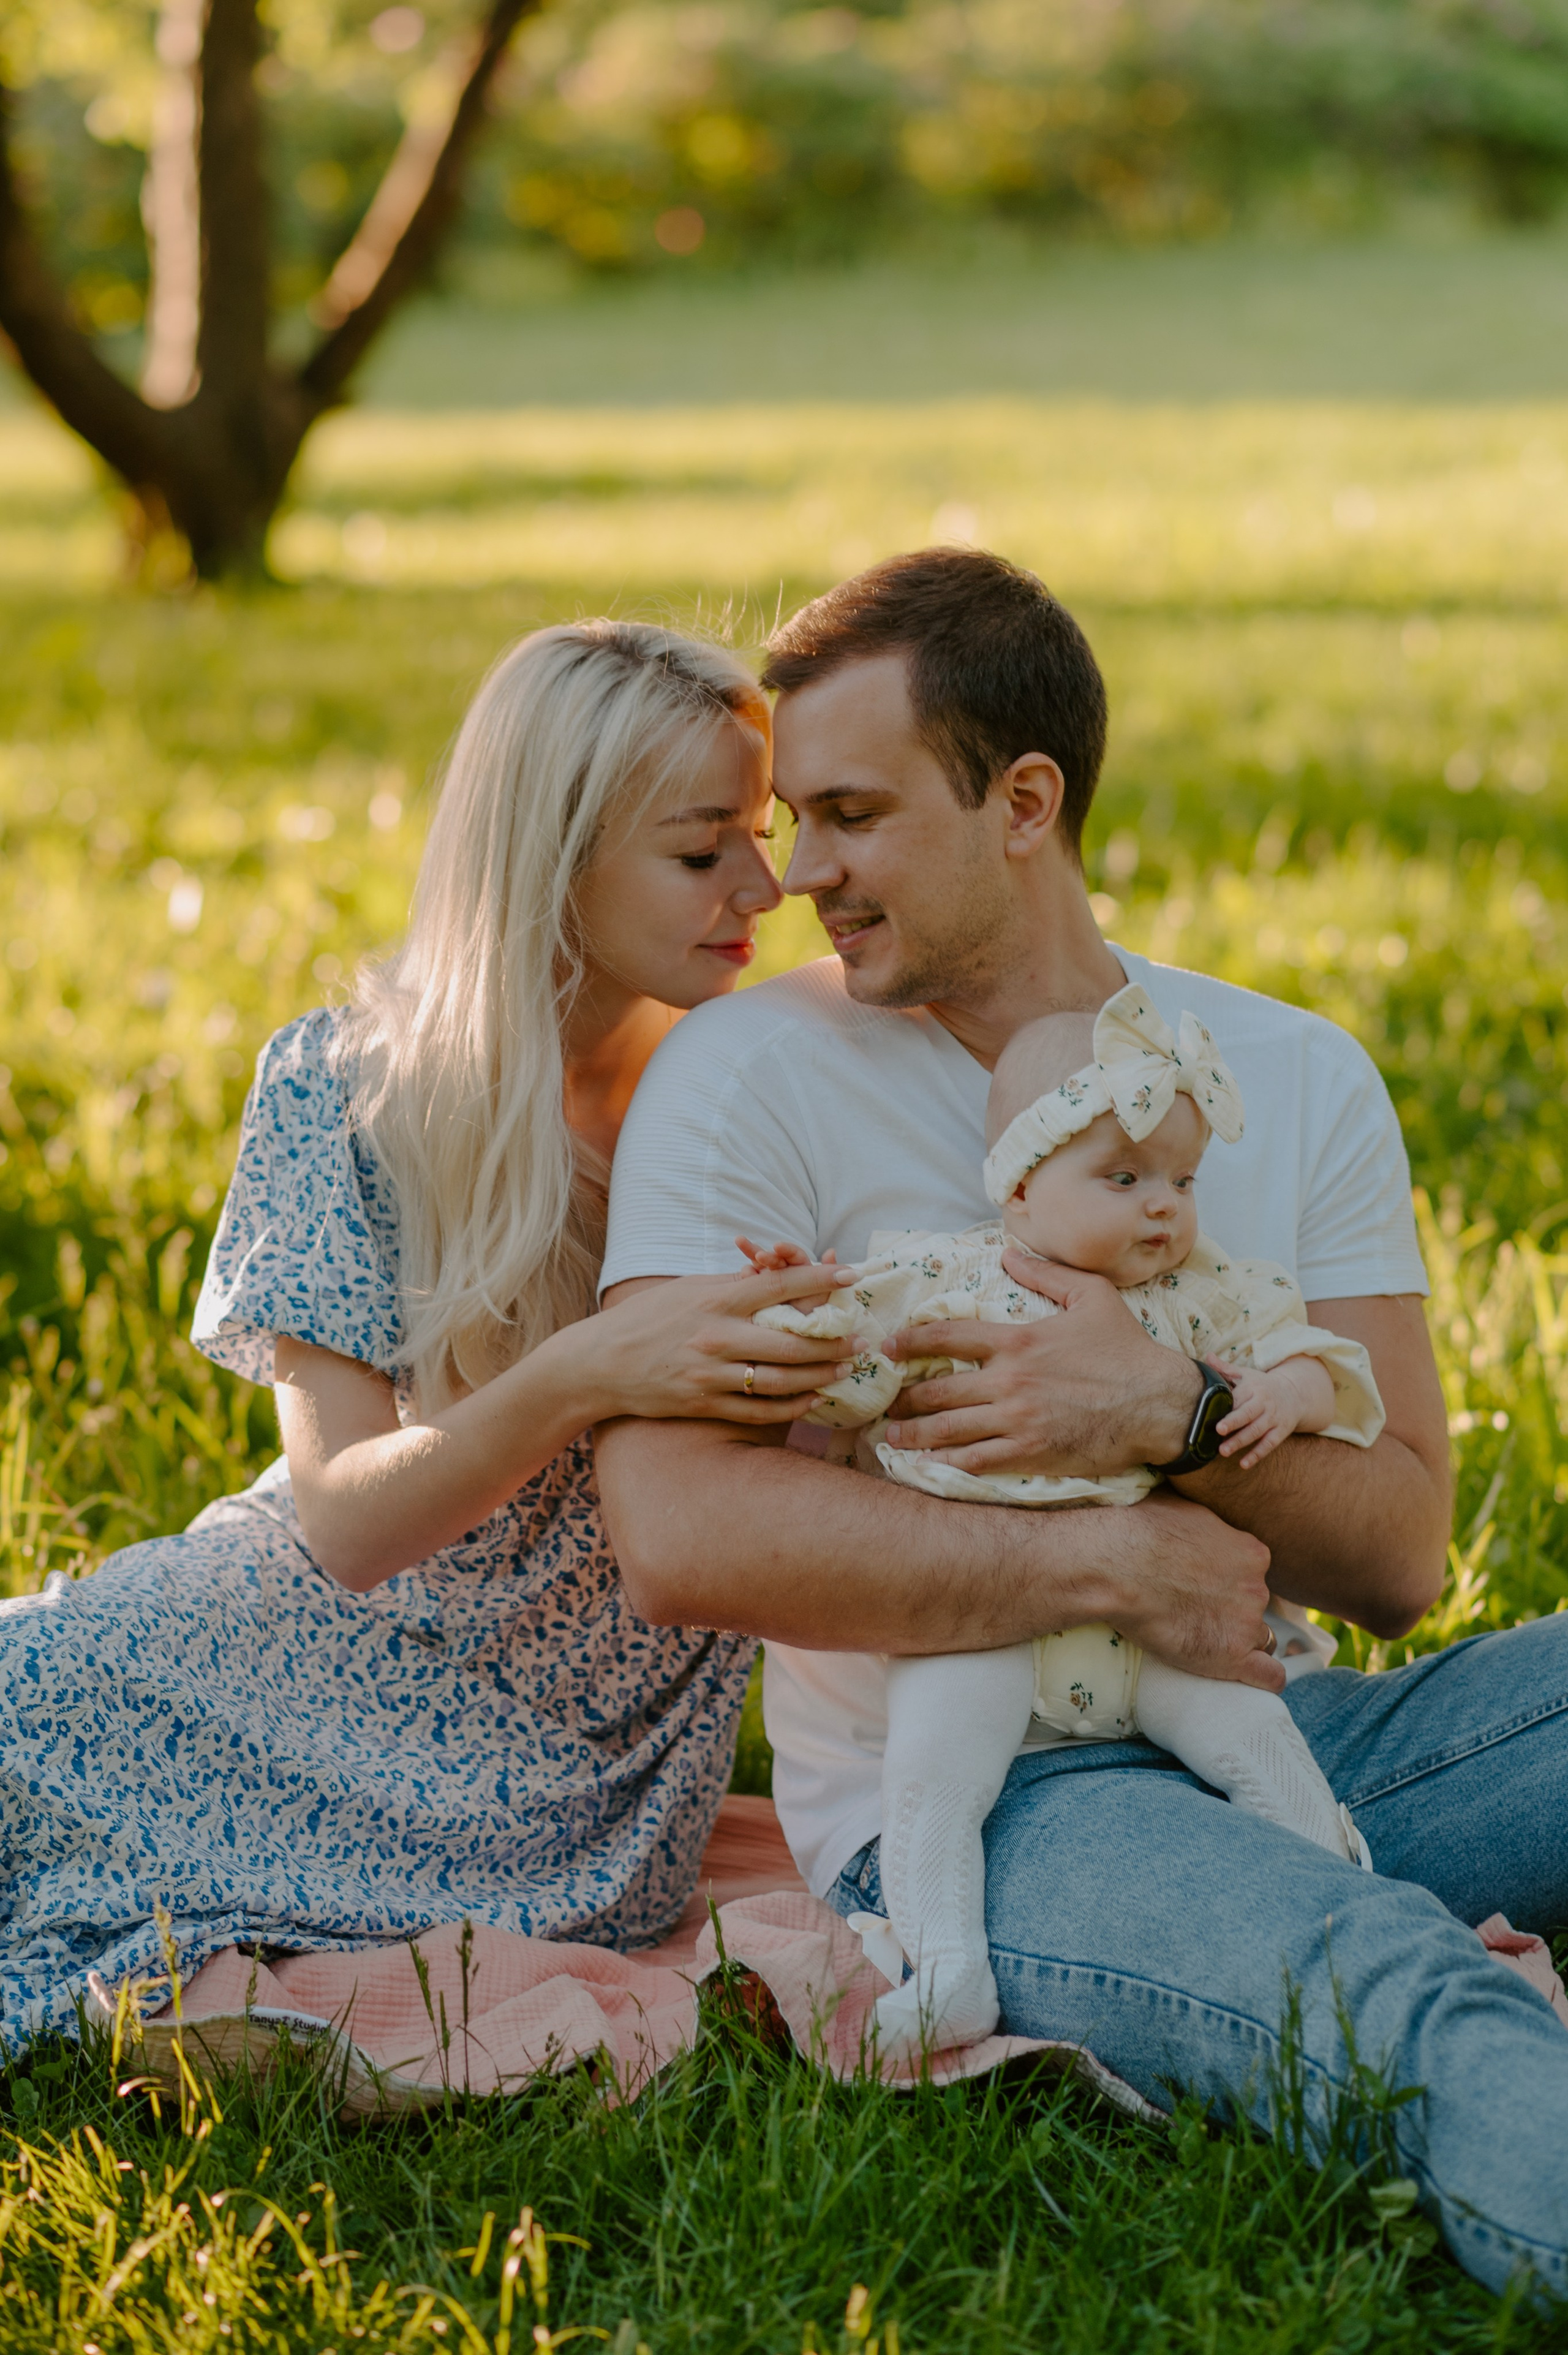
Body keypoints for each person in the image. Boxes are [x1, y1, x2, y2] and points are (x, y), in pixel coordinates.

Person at [594, 550, 1568, 2300]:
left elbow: (1405, 1551)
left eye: (853, 814)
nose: (797, 870)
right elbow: (674, 1533)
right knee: (1407, 1976)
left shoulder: (1292, 1071)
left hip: (1280, 1726)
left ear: (1024, 800)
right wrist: (1108, 1547)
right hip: (989, 1801)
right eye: (792, 818)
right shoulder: (739, 1076)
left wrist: (1170, 1409)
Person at [0, 619, 854, 2044]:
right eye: (703, 852)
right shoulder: (346, 1091)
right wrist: (587, 1370)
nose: (767, 888)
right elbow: (340, 1521)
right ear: (555, 858)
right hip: (296, 1660)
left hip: (577, 1774)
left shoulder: (755, 1099)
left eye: (759, 836)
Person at [745, 984, 1383, 2055]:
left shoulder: (1205, 1292)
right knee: (934, 1777)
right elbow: (846, 1357)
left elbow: (1323, 1365)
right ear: (1025, 1191)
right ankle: (949, 1971)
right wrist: (797, 1306)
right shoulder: (949, 1274)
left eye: (1182, 1179)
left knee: (1255, 1734)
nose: (1162, 1208)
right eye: (1125, 1178)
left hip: (1160, 1626)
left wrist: (1282, 1397)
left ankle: (1341, 1898)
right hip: (990, 1617)